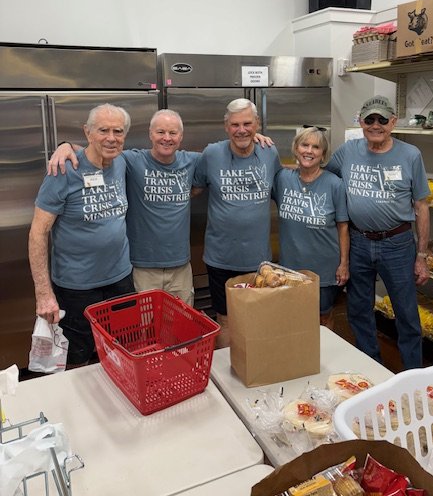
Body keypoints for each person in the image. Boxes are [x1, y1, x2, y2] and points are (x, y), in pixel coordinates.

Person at [49, 109, 272, 307]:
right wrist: (65, 146)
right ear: (150, 134)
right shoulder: (130, 160)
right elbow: (95, 150)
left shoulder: (194, 161)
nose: (167, 138)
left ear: (181, 137)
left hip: (181, 268)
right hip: (141, 268)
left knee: (181, 330)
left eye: (173, 133)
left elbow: (227, 156)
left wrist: (254, 139)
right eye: (160, 132)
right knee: (145, 334)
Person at [326, 95, 430, 370]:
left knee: (406, 314)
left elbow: (421, 206)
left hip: (397, 244)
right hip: (358, 242)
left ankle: (413, 377)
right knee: (358, 310)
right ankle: (371, 368)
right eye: (370, 119)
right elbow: (323, 176)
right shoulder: (347, 151)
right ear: (360, 121)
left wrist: (421, 255)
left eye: (382, 119)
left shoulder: (410, 155)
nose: (376, 125)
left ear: (393, 122)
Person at [29, 103, 135, 366]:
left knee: (122, 350)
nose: (111, 137)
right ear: (87, 133)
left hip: (120, 279)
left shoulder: (121, 162)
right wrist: (43, 293)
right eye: (103, 130)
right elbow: (38, 232)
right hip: (76, 287)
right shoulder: (64, 171)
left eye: (118, 131)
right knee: (78, 358)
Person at [193, 98, 281, 346]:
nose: (241, 129)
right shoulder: (211, 154)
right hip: (221, 256)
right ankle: (229, 376)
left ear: (257, 124)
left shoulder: (269, 151)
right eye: (235, 125)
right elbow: (194, 188)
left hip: (258, 260)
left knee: (258, 317)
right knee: (225, 318)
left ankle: (256, 368)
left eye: (247, 123)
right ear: (226, 126)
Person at [272, 126, 349, 329]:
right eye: (304, 145)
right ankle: (298, 357)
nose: (309, 151)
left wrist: (343, 264)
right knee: (292, 317)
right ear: (296, 149)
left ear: (323, 153)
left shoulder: (334, 184)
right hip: (289, 268)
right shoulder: (282, 179)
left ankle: (321, 358)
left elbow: (343, 227)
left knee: (322, 319)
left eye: (316, 147)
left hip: (323, 269)